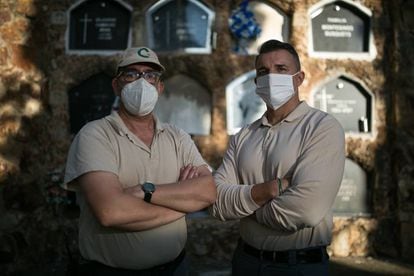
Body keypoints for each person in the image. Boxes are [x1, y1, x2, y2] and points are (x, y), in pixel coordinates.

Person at [62, 46, 216, 275]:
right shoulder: (95, 135)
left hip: (176, 267)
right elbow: (111, 212)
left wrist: (147, 191)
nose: (142, 82)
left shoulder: (177, 136)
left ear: (160, 87)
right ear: (116, 85)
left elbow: (209, 191)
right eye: (131, 74)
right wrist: (182, 206)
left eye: (150, 75)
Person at [209, 39, 346, 276]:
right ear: (256, 82)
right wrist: (270, 190)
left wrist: (243, 205)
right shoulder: (243, 136)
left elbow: (305, 210)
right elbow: (217, 201)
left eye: (281, 69)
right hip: (246, 261)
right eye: (263, 71)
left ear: (299, 78)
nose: (271, 77)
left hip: (299, 266)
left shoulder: (322, 127)